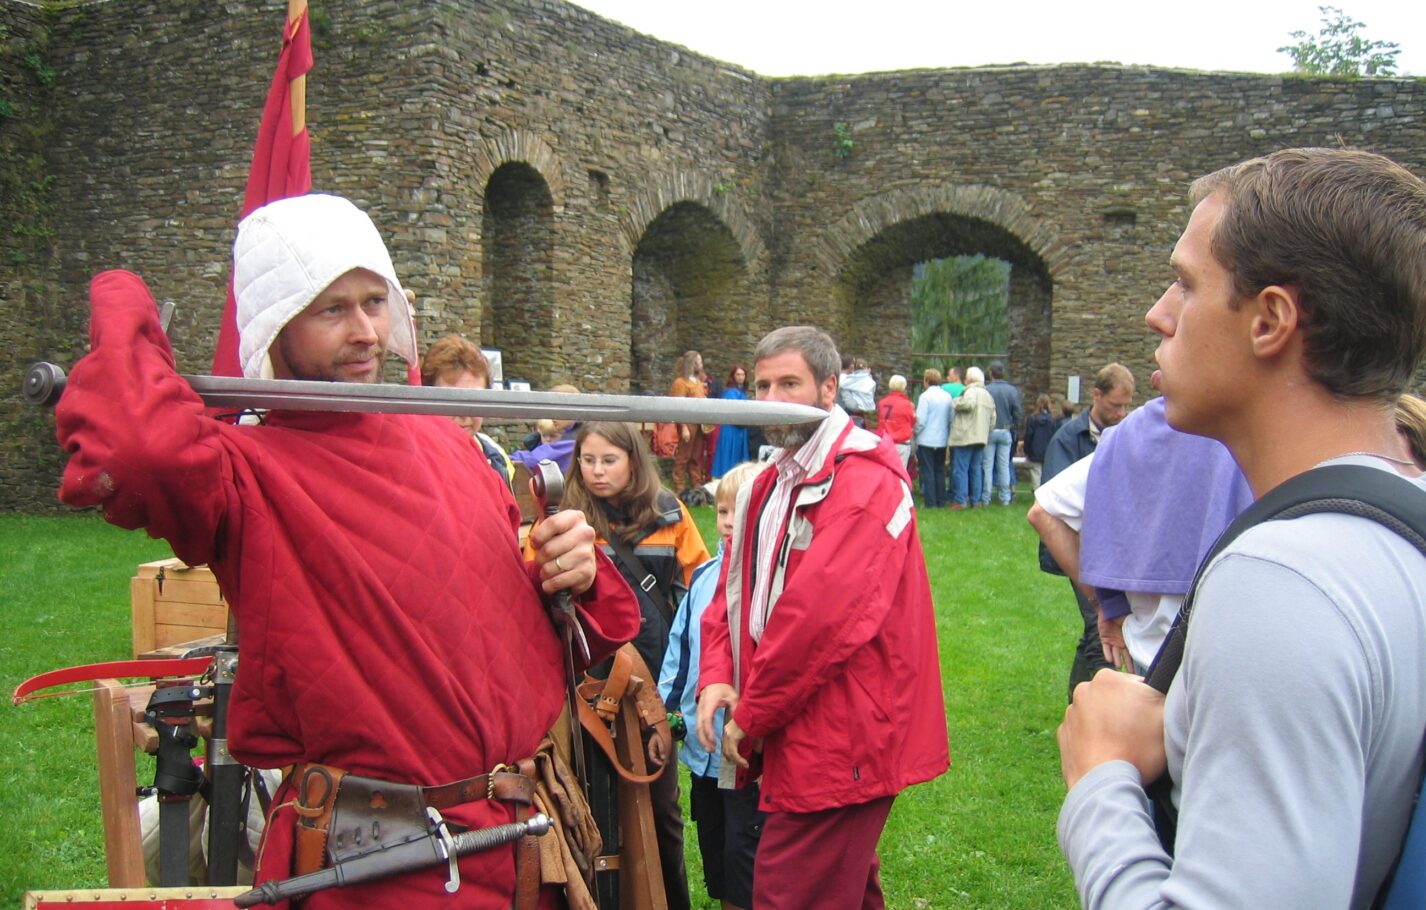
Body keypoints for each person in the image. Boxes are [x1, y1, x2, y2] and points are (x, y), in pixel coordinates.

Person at [54, 193, 641, 908]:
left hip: (517, 842)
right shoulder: (241, 471)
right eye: (332, 310)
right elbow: (135, 450)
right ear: (278, 325)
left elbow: (510, 636)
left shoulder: (450, 445)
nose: (365, 331)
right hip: (372, 869)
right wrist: (122, 297)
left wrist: (567, 574)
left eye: (374, 301)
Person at [1057, 148, 1426, 909]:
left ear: (1270, 321)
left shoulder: (1284, 581)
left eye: (1187, 283)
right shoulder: (1398, 525)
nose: (1157, 313)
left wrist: (1101, 780)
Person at [696, 325, 949, 910]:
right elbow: (732, 587)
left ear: (829, 388)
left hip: (842, 729)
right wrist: (716, 671)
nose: (772, 398)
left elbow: (818, 624)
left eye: (789, 383)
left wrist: (751, 715)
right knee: (842, 888)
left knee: (790, 890)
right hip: (805, 719)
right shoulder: (775, 477)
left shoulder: (862, 481)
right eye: (762, 385)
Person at [562, 420, 711, 910]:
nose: (597, 472)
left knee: (663, 809)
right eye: (588, 460)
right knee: (587, 806)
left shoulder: (670, 514)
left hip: (654, 688)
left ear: (633, 460)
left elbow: (698, 604)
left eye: (609, 460)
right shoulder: (567, 520)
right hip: (586, 688)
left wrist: (675, 696)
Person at [1028, 396, 1253, 673]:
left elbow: (1044, 512)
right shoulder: (1257, 425)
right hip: (1235, 657)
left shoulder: (1138, 431)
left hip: (1151, 656)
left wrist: (1105, 604)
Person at [655, 461, 765, 910]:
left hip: (746, 753)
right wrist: (667, 711)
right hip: (703, 748)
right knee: (716, 850)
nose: (729, 523)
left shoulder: (768, 582)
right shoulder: (702, 577)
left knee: (747, 851)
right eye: (723, 512)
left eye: (742, 512)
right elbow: (681, 650)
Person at [1040, 362, 1135, 698]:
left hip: (1113, 548)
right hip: (1081, 549)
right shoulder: (1069, 437)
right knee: (1102, 628)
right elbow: (1052, 503)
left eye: (1127, 406)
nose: (1122, 413)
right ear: (1096, 395)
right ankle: (1096, 709)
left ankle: (1080, 701)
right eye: (1115, 405)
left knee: (1096, 629)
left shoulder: (1124, 436)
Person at [421, 334, 515, 488]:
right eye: (452, 400)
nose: (464, 413)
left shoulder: (495, 456)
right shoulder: (412, 456)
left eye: (474, 400)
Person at [949, 366, 995, 509]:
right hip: (981, 437)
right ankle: (976, 501)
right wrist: (986, 432)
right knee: (976, 469)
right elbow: (993, 419)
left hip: (965, 436)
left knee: (961, 469)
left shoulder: (971, 391)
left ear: (969, 379)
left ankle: (960, 500)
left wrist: (955, 401)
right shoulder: (988, 395)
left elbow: (968, 404)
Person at [509, 383, 581, 475]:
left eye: (557, 410)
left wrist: (505, 458)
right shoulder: (571, 432)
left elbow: (537, 459)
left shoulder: (574, 440)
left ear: (571, 409)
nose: (552, 416)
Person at [982, 360, 1024, 505]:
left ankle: (986, 498)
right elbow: (1018, 413)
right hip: (1006, 430)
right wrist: (1012, 426)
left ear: (990, 373)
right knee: (1004, 465)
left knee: (987, 465)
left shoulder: (986, 389)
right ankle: (1005, 498)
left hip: (989, 430)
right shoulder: (1012, 390)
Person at [670, 351, 709, 494]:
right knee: (683, 457)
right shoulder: (681, 383)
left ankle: (696, 488)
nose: (701, 364)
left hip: (698, 424)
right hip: (687, 424)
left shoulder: (697, 382)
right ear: (692, 363)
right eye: (699, 361)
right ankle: (679, 489)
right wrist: (684, 427)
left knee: (696, 456)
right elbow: (679, 407)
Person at [913, 368, 953, 507]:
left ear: (927, 381)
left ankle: (930, 501)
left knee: (928, 471)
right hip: (941, 439)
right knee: (939, 470)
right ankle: (941, 500)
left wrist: (915, 431)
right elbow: (949, 418)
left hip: (926, 439)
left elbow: (921, 420)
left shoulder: (925, 397)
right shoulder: (947, 396)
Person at [711, 365, 751, 478]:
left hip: (740, 429)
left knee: (738, 455)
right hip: (731, 428)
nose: (740, 377)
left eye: (742, 374)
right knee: (729, 454)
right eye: (738, 374)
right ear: (733, 376)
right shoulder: (731, 392)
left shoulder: (741, 391)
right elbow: (732, 412)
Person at [877, 374, 916, 470]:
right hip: (901, 443)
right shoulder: (907, 405)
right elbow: (912, 421)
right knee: (900, 472)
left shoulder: (882, 403)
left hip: (885, 442)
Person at [1022, 393, 1057, 488]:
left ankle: (1037, 494)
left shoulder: (1032, 419)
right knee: (1046, 474)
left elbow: (1028, 436)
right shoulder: (1053, 420)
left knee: (1036, 473)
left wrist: (1026, 451)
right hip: (1048, 451)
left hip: (1035, 450)